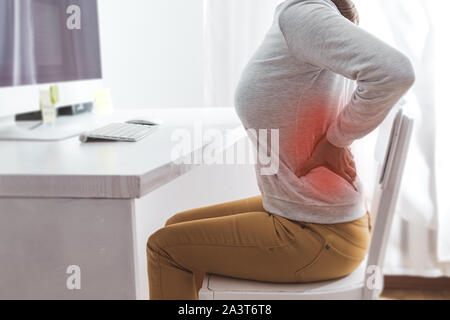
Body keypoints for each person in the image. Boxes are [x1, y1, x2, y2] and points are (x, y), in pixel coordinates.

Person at [146, 0, 415, 300]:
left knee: (164, 248)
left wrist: (337, 139)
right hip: (312, 217)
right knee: (176, 227)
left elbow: (396, 71)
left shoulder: (302, 14)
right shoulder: (302, 15)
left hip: (318, 234)